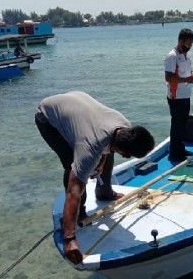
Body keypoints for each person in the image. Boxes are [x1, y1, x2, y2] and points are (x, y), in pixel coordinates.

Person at [35, 91, 155, 264]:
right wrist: (70, 240)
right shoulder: (89, 148)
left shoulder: (124, 127)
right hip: (47, 117)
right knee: (71, 166)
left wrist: (101, 161)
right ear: (125, 152)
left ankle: (104, 192)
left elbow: (108, 146)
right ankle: (78, 215)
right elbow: (74, 190)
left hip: (76, 102)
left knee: (104, 152)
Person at [164, 28, 193, 162]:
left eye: (191, 44)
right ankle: (174, 153)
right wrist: (187, 79)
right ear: (180, 41)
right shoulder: (172, 56)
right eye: (188, 44)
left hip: (186, 94)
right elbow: (169, 77)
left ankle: (180, 148)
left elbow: (189, 72)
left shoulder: (186, 56)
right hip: (175, 96)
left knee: (183, 124)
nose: (189, 47)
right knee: (176, 125)